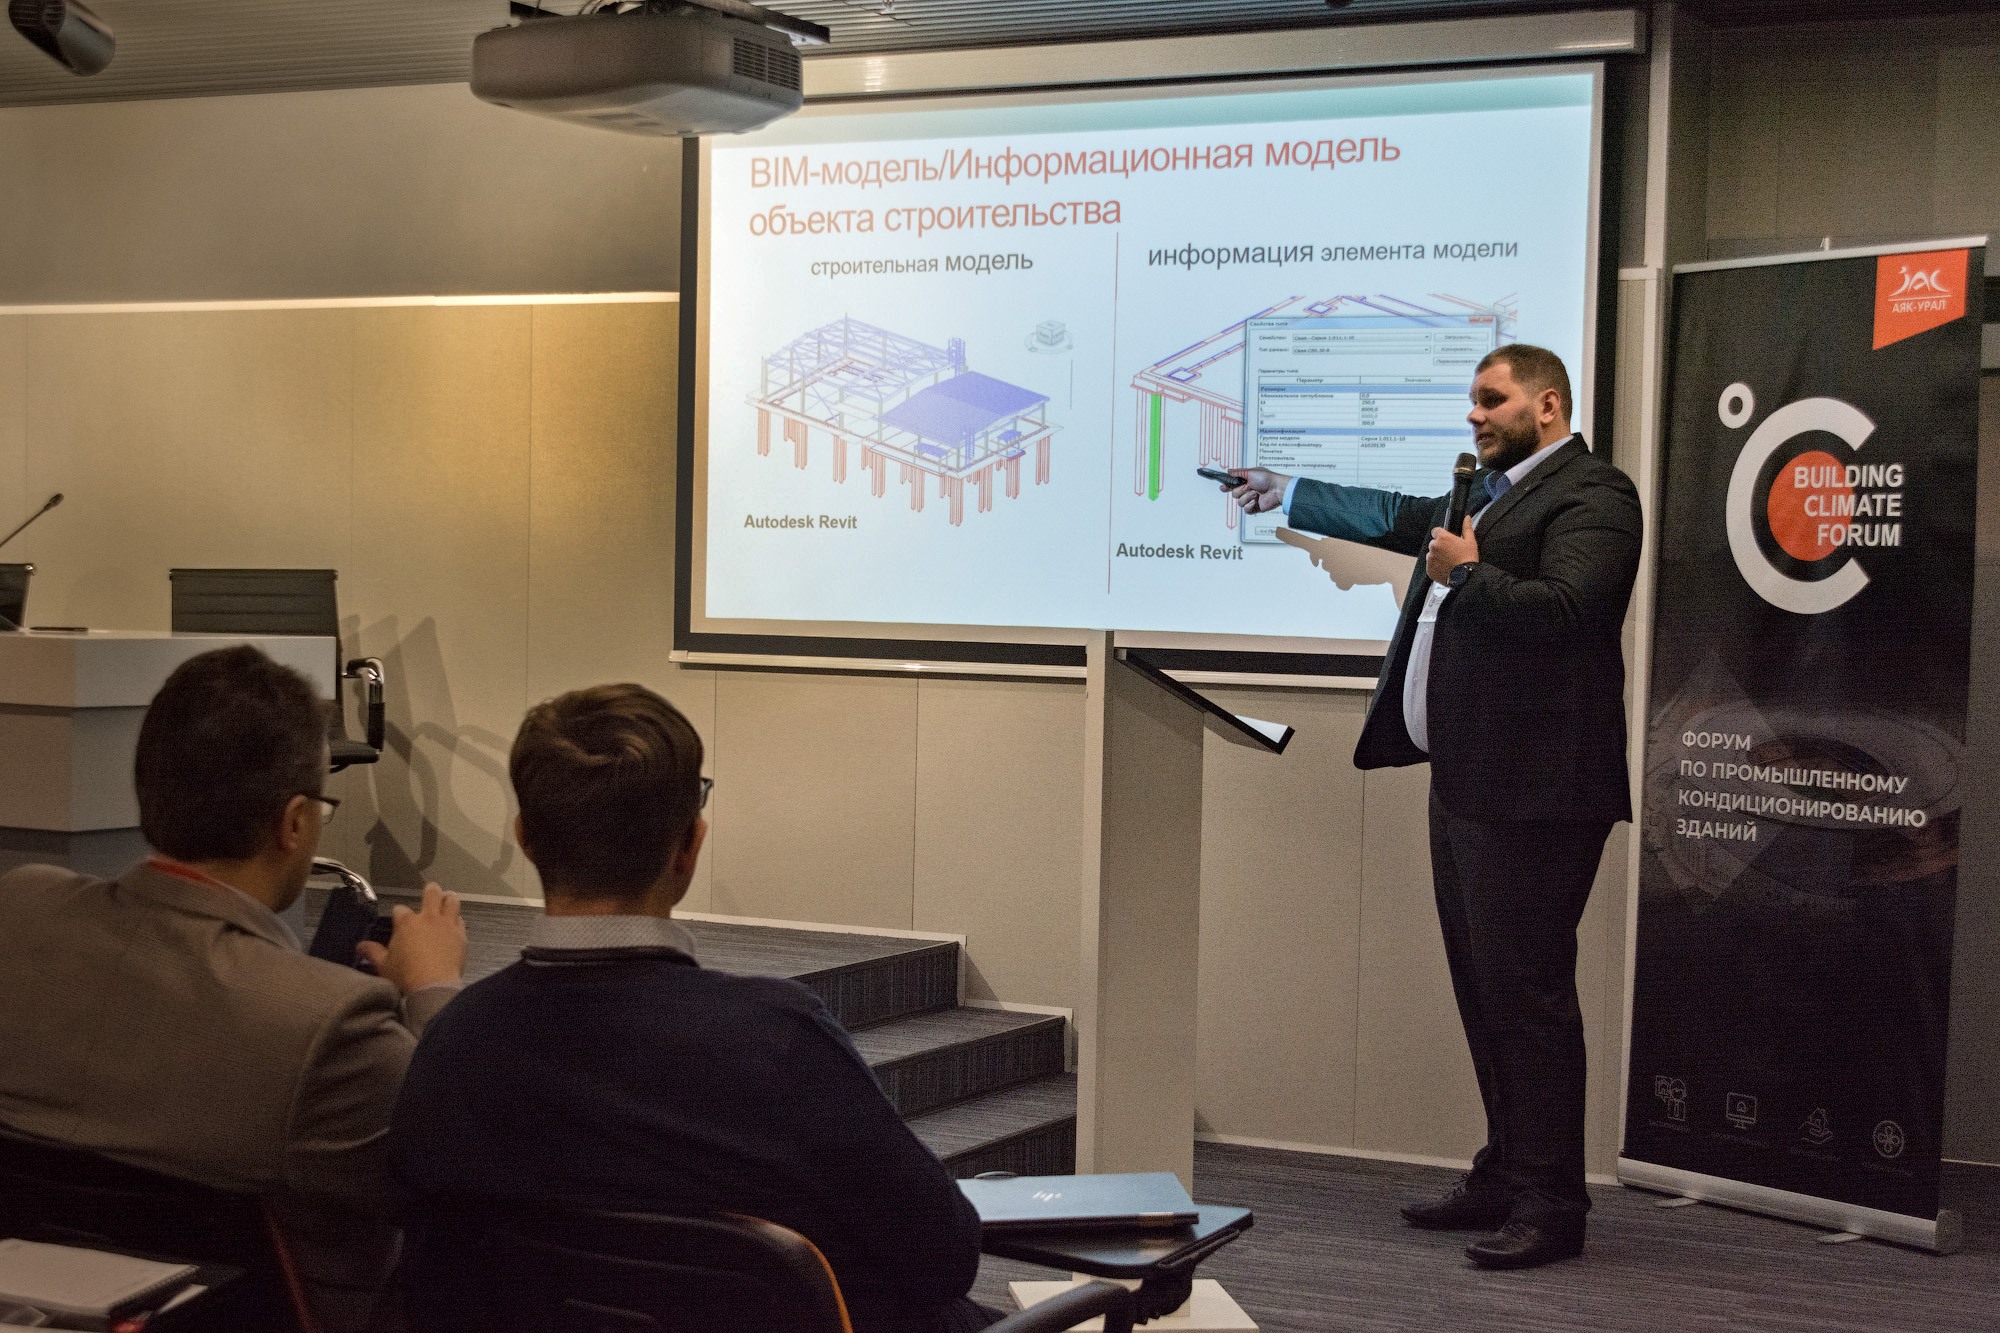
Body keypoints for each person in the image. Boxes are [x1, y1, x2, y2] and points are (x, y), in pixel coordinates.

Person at [390, 683, 997, 1333]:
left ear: (525, 839)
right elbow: (942, 1255)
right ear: (690, 846)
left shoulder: (454, 1045)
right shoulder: (779, 1041)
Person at [1226, 344, 1642, 1269]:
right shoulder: (1485, 494)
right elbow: (1397, 516)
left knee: (1528, 996)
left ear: (1548, 405)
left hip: (1537, 793)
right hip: (1469, 780)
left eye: (1492, 399)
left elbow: (1570, 611)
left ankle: (1552, 1203)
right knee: (1485, 991)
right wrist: (1287, 490)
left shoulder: (1596, 495)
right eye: (1472, 400)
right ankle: (1506, 1171)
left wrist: (1464, 574)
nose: (1474, 415)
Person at [0, 644, 468, 1331]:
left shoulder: (19, 911)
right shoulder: (327, 1023)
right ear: (295, 822)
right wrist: (433, 992)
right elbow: (457, 1164)